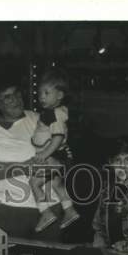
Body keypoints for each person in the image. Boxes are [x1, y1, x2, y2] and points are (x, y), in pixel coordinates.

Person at [0, 77, 61, 239]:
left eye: (17, 94)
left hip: (49, 206)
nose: (15, 100)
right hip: (8, 210)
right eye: (7, 97)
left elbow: (62, 156)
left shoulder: (40, 120)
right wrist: (26, 167)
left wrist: (58, 160)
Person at [29, 69, 80, 232]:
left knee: (34, 183)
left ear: (59, 95)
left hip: (55, 157)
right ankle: (69, 210)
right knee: (56, 184)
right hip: (59, 157)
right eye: (40, 93)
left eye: (46, 93)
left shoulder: (56, 114)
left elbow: (58, 138)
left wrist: (45, 154)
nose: (41, 97)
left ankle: (45, 212)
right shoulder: (52, 113)